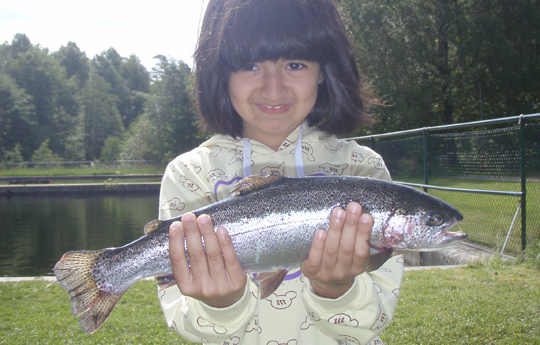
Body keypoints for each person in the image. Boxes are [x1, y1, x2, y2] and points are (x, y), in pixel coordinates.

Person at [158, 0, 404, 344]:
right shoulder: (189, 174)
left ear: (324, 69)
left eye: (295, 63)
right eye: (249, 65)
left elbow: (372, 321)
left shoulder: (365, 169)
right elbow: (190, 326)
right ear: (221, 72)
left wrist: (336, 288)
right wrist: (220, 305)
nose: (273, 88)